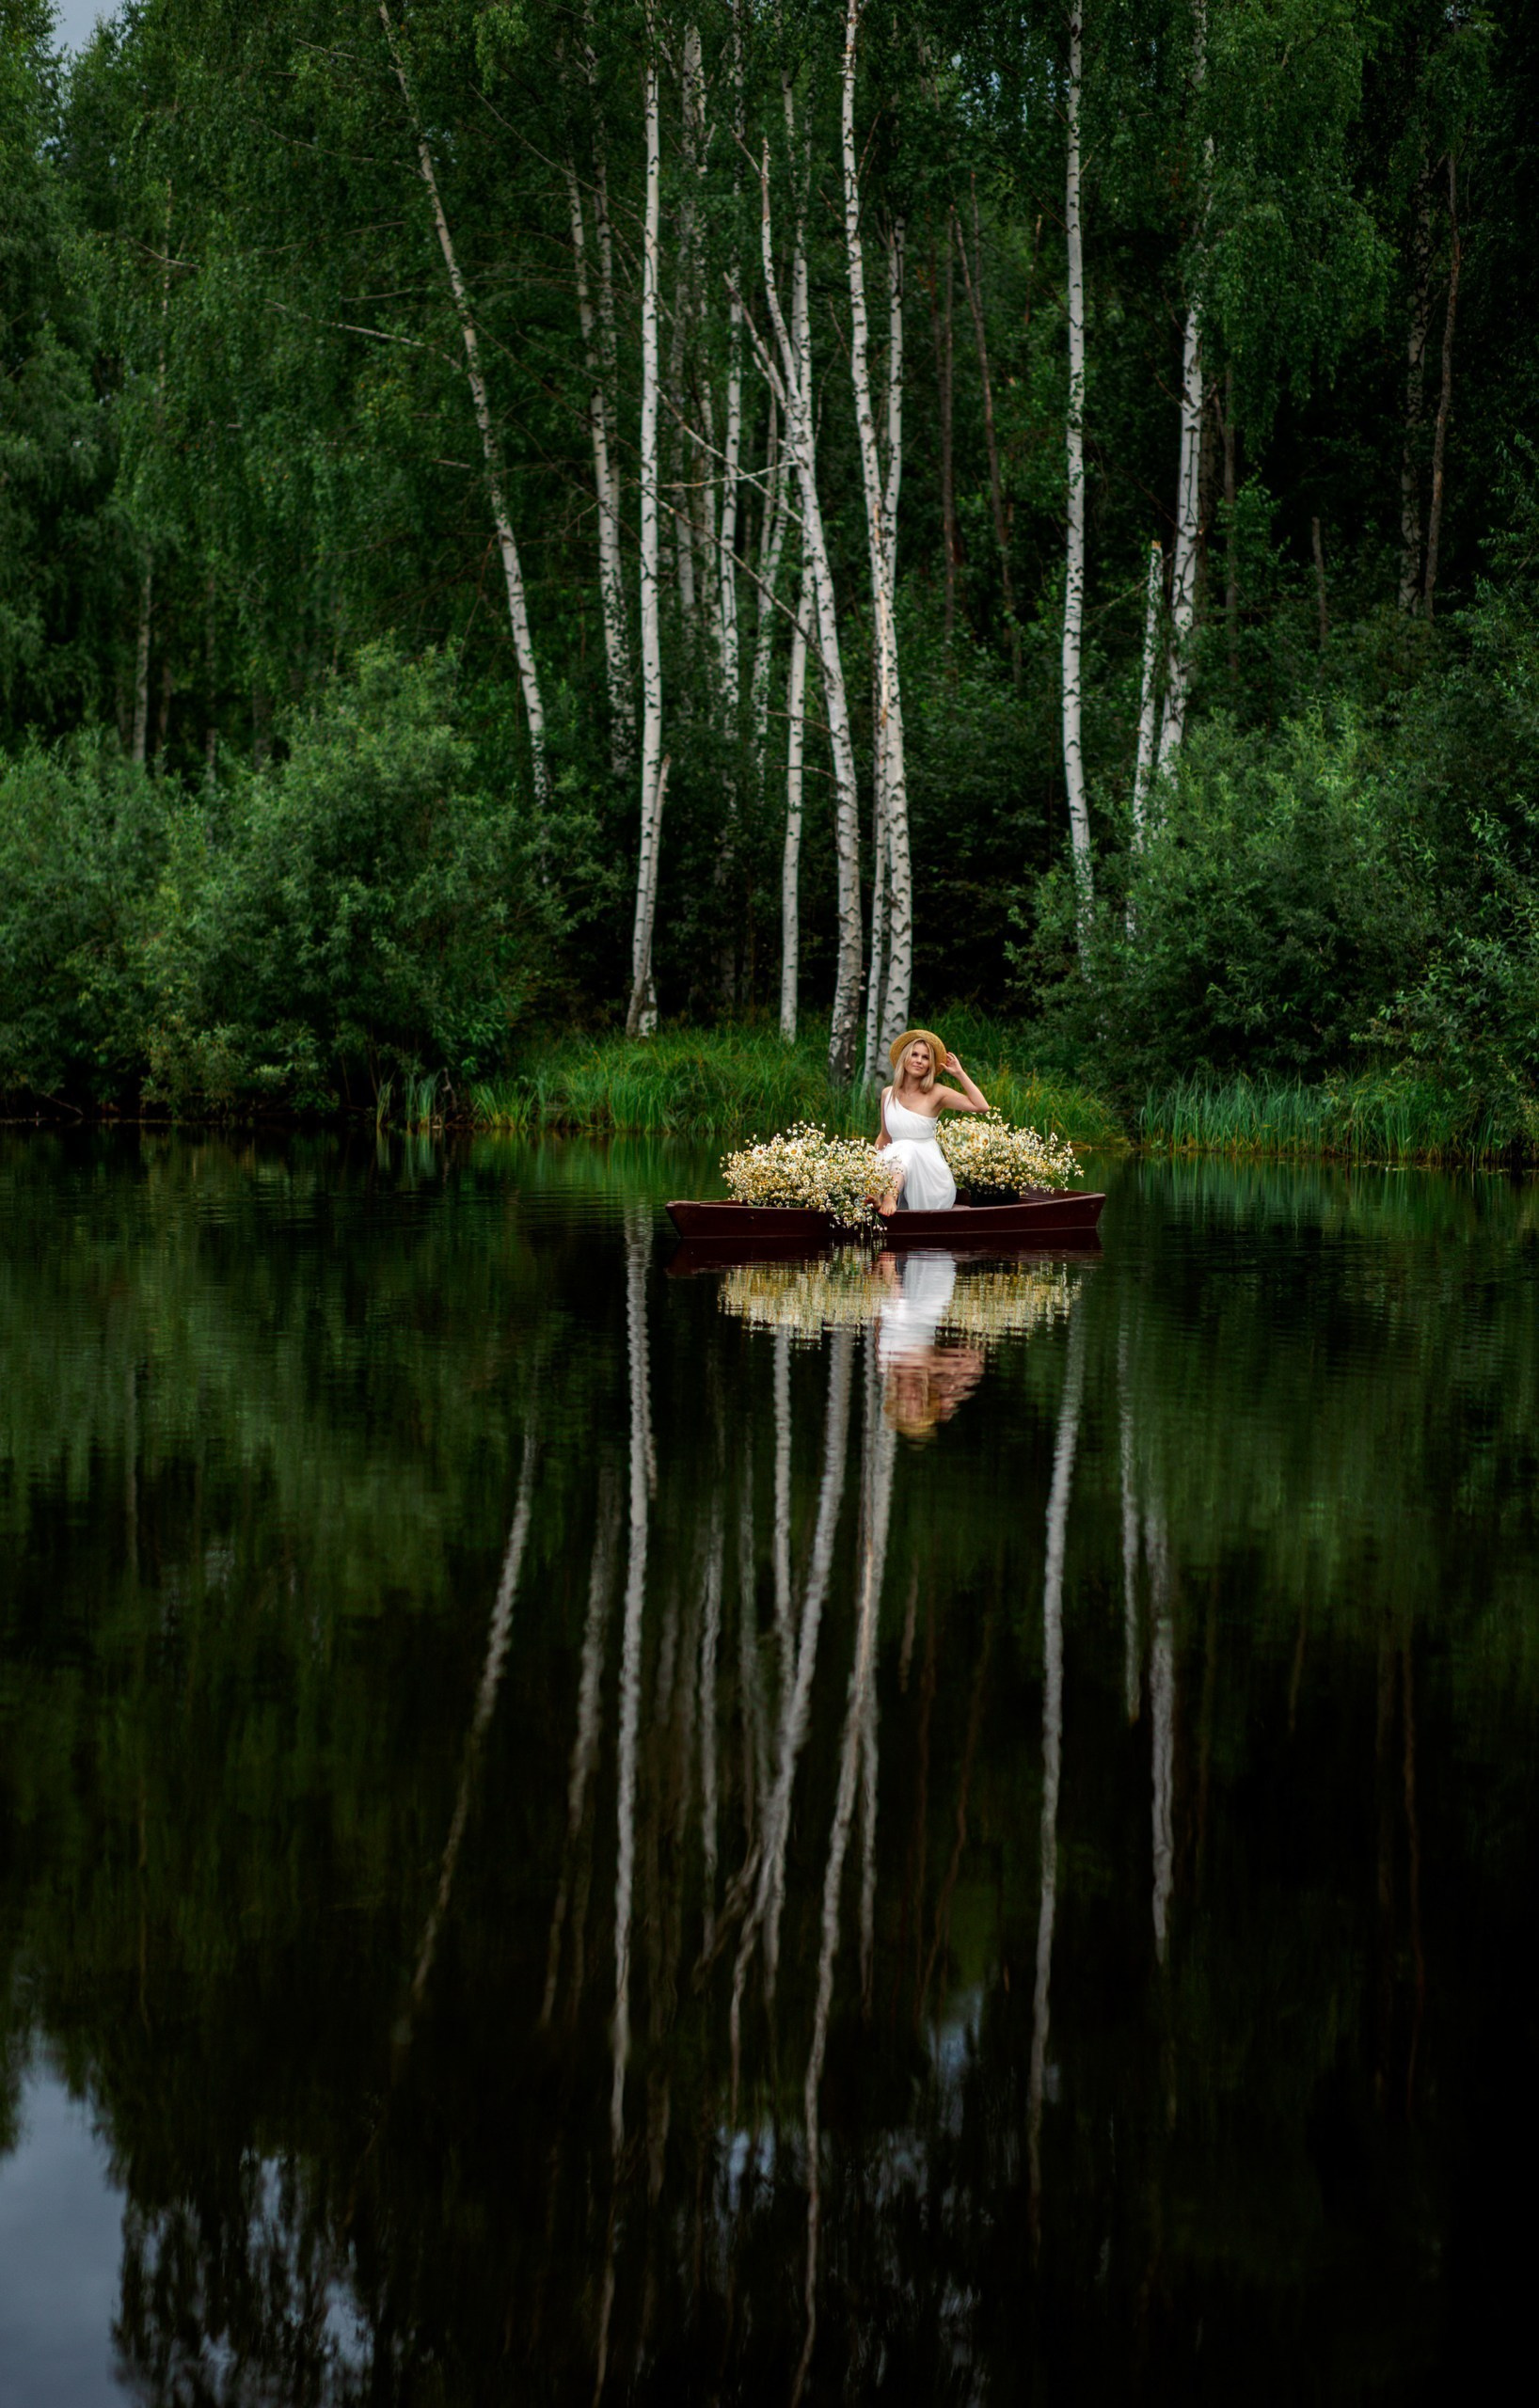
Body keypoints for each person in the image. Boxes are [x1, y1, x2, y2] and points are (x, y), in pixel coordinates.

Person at [875, 1028, 990, 1214]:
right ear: (905, 1058)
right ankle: (877, 1195)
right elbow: (885, 1137)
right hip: (895, 1168)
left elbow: (981, 1106)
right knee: (896, 1149)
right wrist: (867, 1171)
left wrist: (959, 1073)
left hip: (929, 1178)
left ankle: (890, 1195)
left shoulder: (937, 1092)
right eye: (914, 1055)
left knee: (906, 1146)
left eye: (925, 1057)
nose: (919, 1061)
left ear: (930, 1065)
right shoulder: (888, 1094)